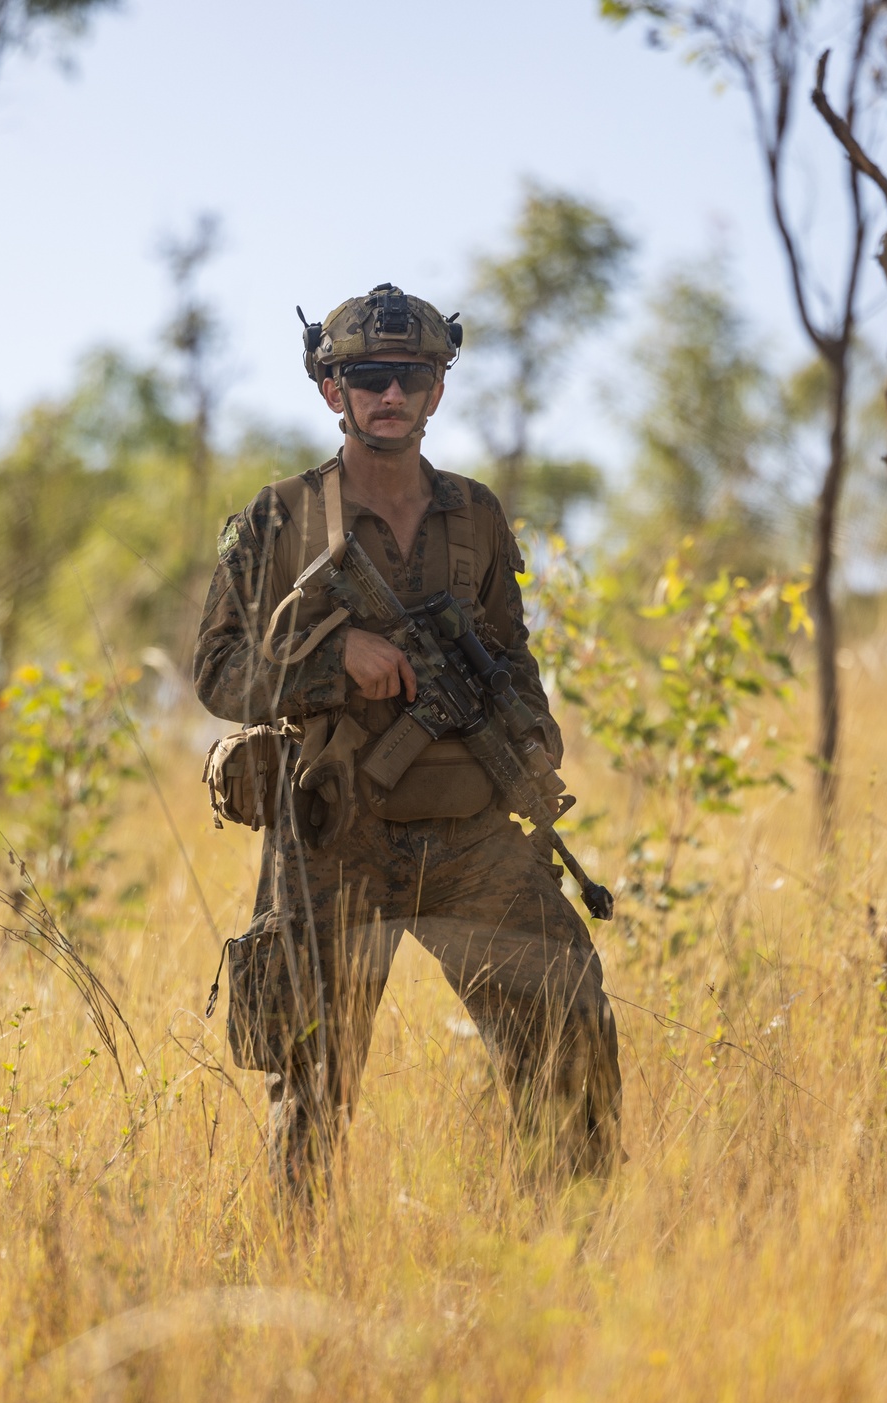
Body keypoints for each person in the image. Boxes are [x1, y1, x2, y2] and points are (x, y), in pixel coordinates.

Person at [194, 283, 622, 1202]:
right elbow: (219, 669)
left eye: (412, 376)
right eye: (370, 377)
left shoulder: (475, 514)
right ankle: (301, 1281)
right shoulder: (278, 519)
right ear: (331, 392)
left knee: (570, 1033)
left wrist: (532, 735)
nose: (392, 395)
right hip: (335, 836)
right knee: (310, 1087)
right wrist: (336, 662)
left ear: (439, 388)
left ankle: (569, 1268)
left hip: (470, 833)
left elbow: (512, 655)